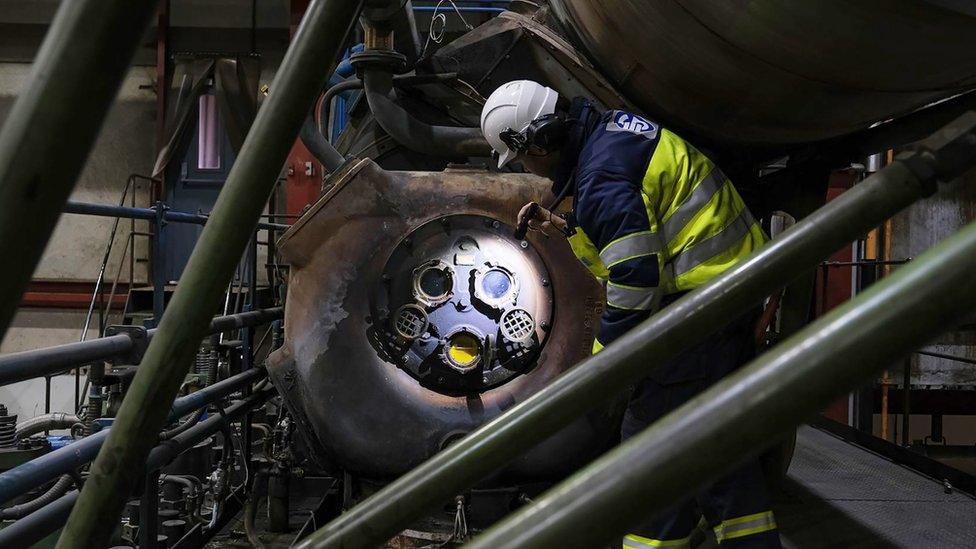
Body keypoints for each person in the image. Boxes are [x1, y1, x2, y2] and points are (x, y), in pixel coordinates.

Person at [480, 80, 781, 548]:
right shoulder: (610, 135)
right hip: (724, 293)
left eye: (521, 157)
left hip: (701, 309)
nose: (525, 167)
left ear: (540, 139)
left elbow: (636, 278)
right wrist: (564, 225)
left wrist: (605, 361)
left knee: (651, 450)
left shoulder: (600, 178)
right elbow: (638, 227)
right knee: (702, 445)